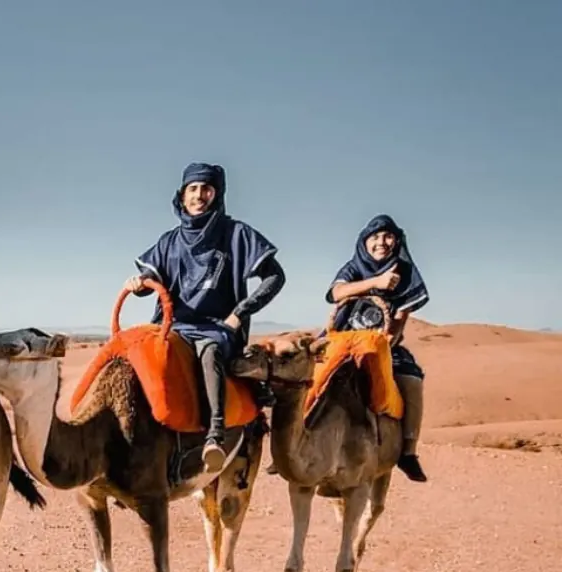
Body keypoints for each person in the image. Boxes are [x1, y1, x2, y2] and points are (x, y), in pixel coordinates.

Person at [124, 162, 286, 472]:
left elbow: (274, 277)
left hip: (216, 328)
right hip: (172, 325)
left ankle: (215, 435)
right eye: (193, 189)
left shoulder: (237, 233)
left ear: (217, 193)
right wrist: (138, 283)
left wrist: (239, 314)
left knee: (208, 354)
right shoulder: (170, 240)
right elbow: (152, 276)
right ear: (182, 195)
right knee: (136, 357)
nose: (199, 195)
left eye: (206, 188)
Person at [326, 214, 429, 482]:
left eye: (387, 236)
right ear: (365, 242)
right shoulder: (353, 268)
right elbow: (337, 294)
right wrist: (376, 283)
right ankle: (294, 445)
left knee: (410, 380)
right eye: (374, 237)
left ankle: (408, 451)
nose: (381, 242)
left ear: (396, 240)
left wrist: (384, 342)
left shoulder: (405, 273)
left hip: (384, 344)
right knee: (304, 372)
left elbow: (400, 319)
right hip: (342, 338)